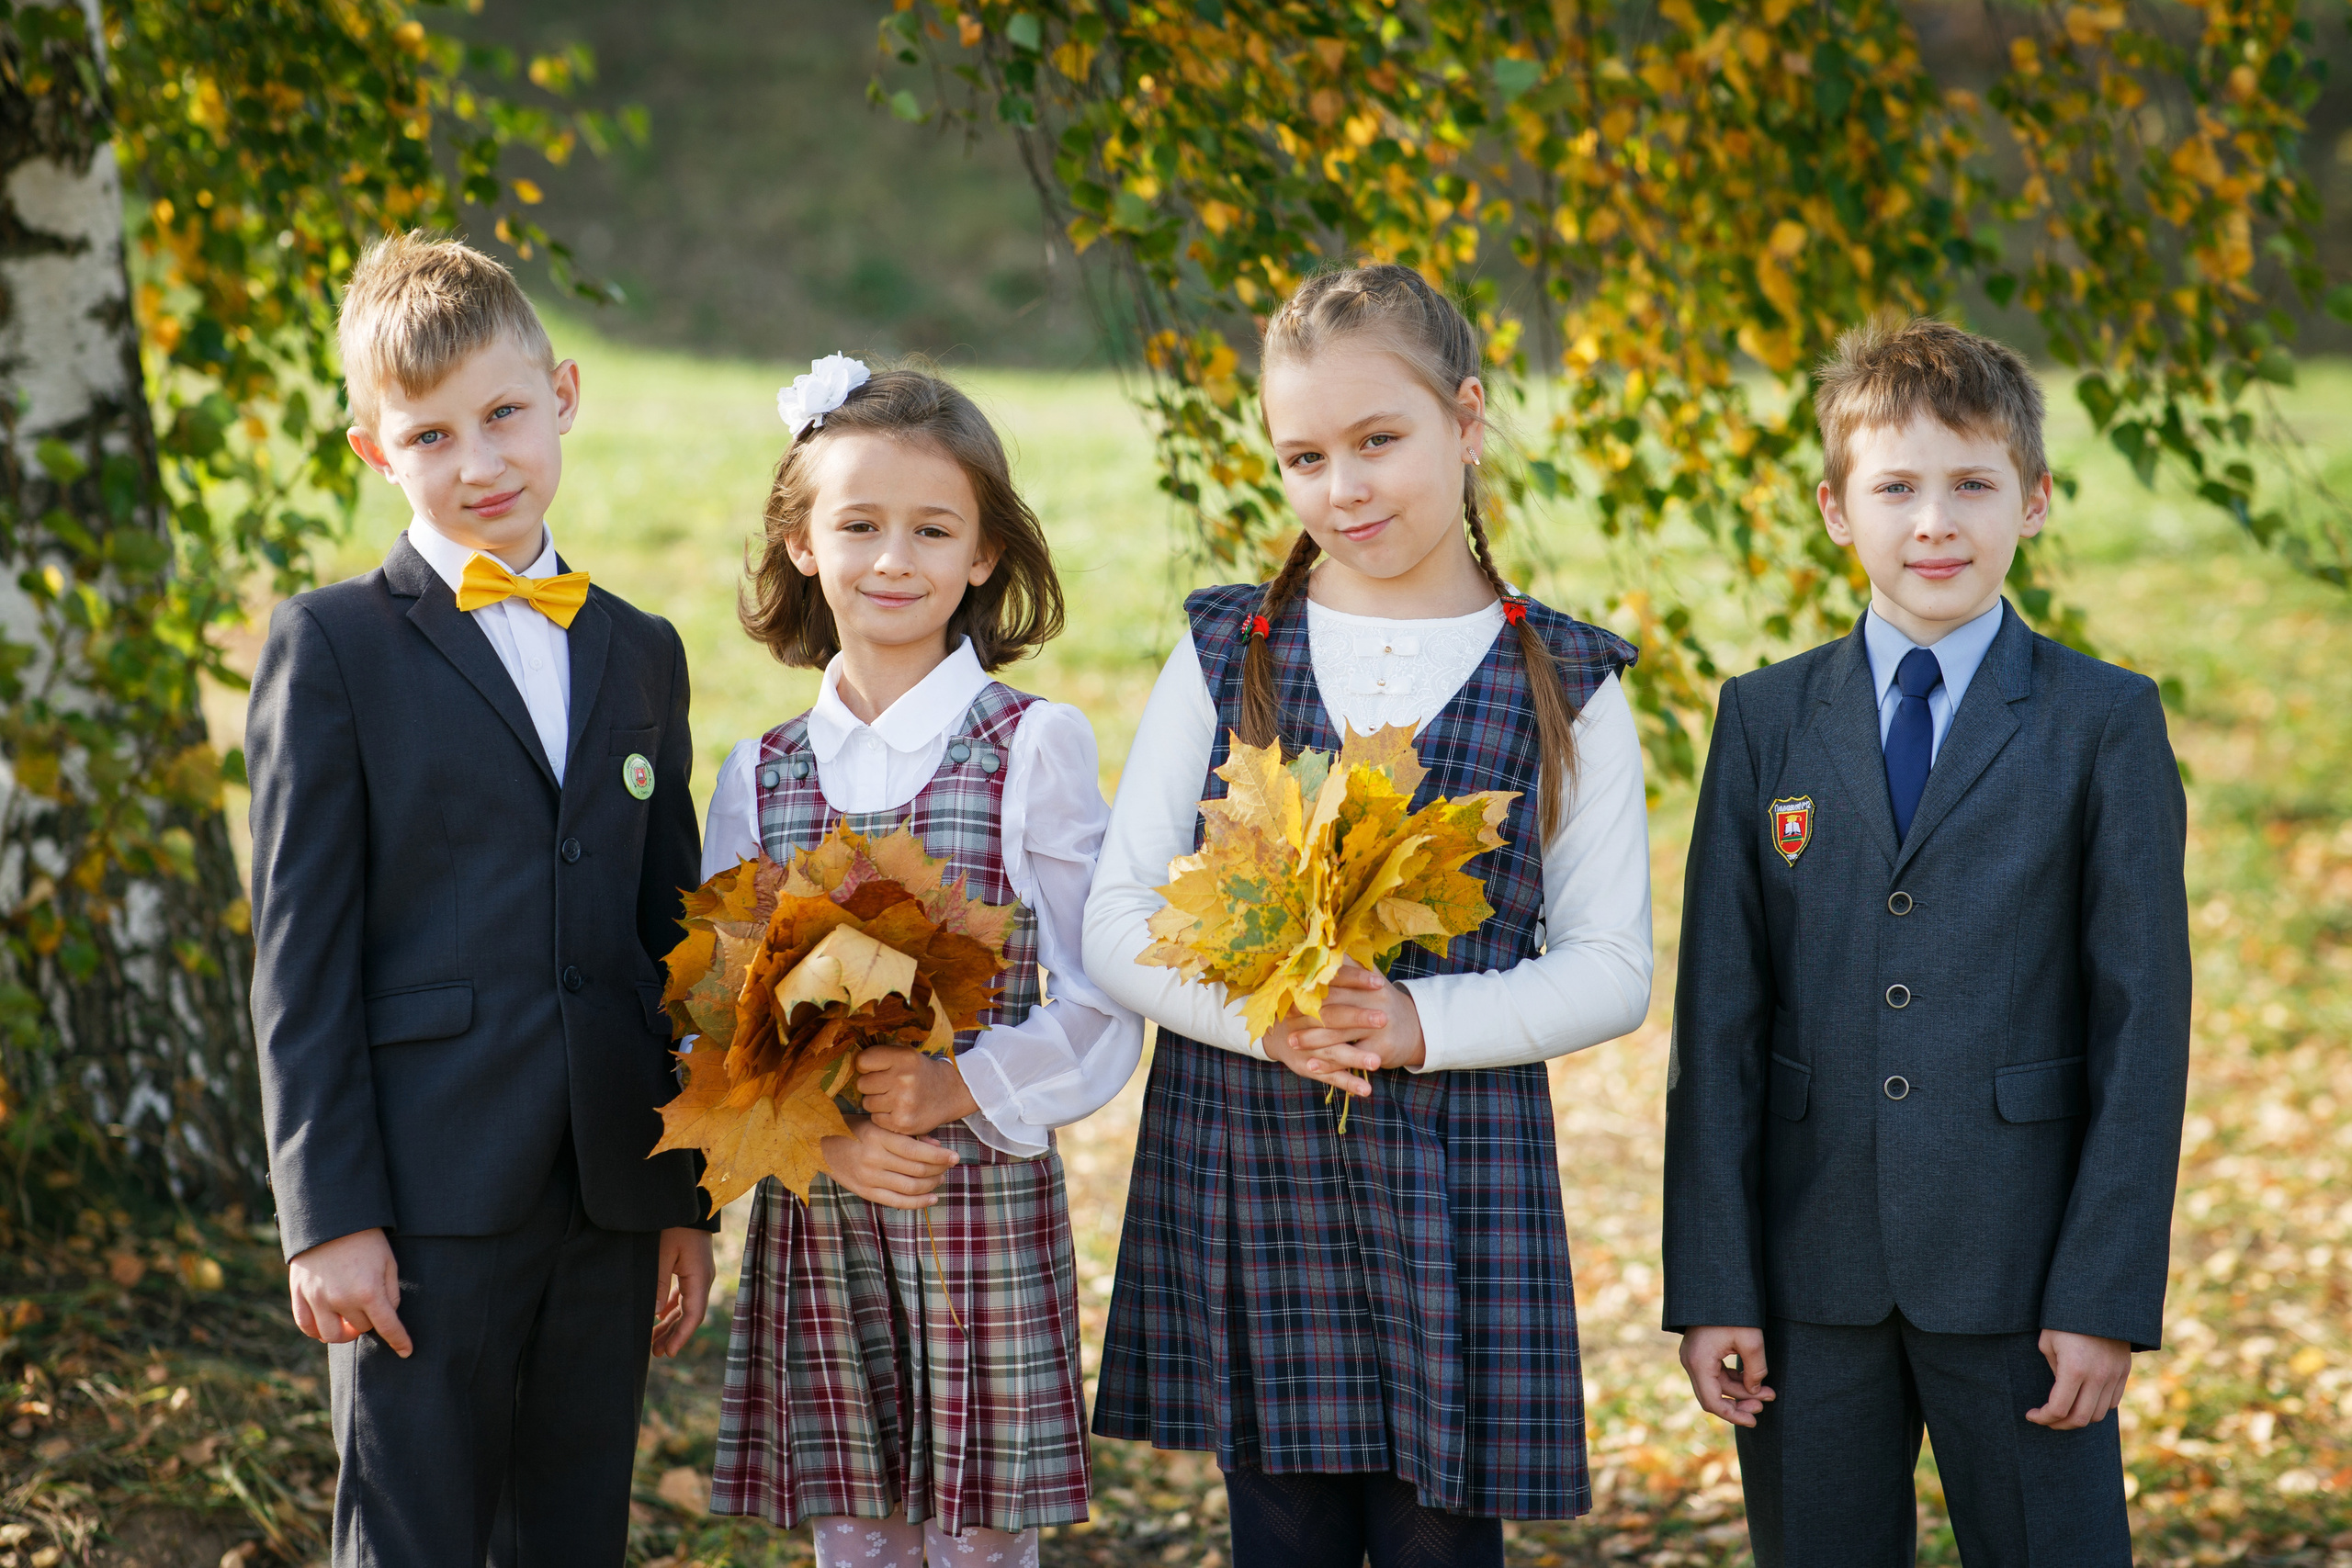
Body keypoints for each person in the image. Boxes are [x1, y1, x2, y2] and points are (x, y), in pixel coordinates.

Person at [1082, 264, 1654, 1567]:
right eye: (1304, 455)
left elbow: (1613, 968)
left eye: (1378, 441)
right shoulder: (1233, 649)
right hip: (1250, 1153)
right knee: (1277, 1532)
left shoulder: (1564, 680)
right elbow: (1118, 920)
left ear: (1467, 418)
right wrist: (1264, 1019)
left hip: (1458, 1172)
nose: (1343, 485)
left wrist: (1412, 1020)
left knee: (1440, 1540)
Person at [1662, 316, 2192, 1566]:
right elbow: (1718, 1026)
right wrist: (1715, 1283)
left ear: (2037, 499)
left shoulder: (2103, 723)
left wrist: (2101, 1295)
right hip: (1807, 1280)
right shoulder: (1763, 721)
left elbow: (2141, 1024)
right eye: (1895, 487)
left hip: (2023, 1276)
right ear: (1838, 509)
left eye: (1972, 485)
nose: (1935, 522)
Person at [246, 232, 717, 1566]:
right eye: (433, 435)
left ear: (563, 392)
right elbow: (300, 958)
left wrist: (684, 1192)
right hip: (421, 1200)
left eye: (505, 414)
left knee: (571, 1532)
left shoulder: (640, 649)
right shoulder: (333, 647)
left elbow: (663, 935)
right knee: (414, 1536)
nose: (482, 462)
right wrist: (329, 1216)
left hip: (608, 1193)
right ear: (374, 453)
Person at [703, 356, 1142, 1568]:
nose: (893, 560)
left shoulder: (1032, 747)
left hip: (975, 1212)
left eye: (932, 529)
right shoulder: (760, 774)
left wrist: (960, 1087)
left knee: (979, 1543)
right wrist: (821, 1132)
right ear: (801, 543)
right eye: (859, 526)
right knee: (856, 1538)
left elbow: (1105, 1000)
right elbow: (719, 1018)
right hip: (824, 1218)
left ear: (986, 553)